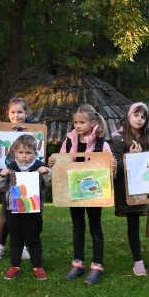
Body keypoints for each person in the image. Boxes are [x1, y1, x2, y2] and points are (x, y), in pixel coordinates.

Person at [48, 104, 116, 285]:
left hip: (95, 194)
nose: (77, 126)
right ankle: (77, 263)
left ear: (92, 122)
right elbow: (61, 164)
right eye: (75, 122)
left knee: (95, 227)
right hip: (73, 193)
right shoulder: (69, 142)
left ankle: (97, 266)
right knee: (78, 227)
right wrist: (53, 162)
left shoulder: (103, 144)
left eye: (82, 122)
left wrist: (112, 168)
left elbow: (109, 173)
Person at [110, 102, 149, 281]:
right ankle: (138, 261)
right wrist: (130, 158)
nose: (139, 119)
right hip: (129, 189)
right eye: (136, 115)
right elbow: (115, 170)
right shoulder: (118, 137)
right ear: (128, 116)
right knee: (133, 224)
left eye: (143, 116)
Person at [0, 135, 51, 280]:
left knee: (33, 238)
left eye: (28, 153)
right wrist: (1, 175)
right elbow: (0, 187)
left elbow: (49, 185)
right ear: (15, 152)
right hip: (13, 210)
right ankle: (15, 266)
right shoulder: (10, 168)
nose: (24, 156)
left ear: (35, 153)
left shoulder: (40, 167)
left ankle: (37, 266)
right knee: (16, 238)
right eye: (21, 153)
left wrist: (46, 173)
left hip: (34, 210)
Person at [0, 97, 34, 261]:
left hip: (28, 178)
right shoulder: (2, 131)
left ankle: (22, 245)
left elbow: (38, 151)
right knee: (6, 212)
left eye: (20, 112)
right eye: (13, 112)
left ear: (26, 113)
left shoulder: (33, 130)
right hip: (8, 179)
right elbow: (1, 157)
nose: (17, 115)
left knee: (22, 211)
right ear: (8, 114)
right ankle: (0, 244)